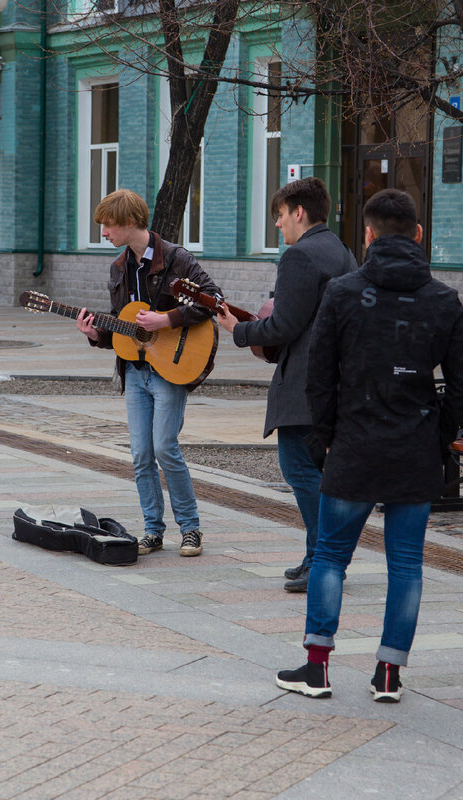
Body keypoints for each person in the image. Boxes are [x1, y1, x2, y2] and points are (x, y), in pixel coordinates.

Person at [275, 189, 463, 701]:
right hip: (414, 449)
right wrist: (439, 436)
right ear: (418, 234)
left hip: (353, 446)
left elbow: (318, 376)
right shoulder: (444, 300)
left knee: (331, 555)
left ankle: (317, 667)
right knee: (405, 563)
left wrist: (323, 438)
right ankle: (389, 674)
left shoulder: (342, 293)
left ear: (366, 235)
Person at [217, 177, 356, 592]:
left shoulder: (300, 256)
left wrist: (239, 329)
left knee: (301, 470)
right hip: (333, 381)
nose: (278, 224)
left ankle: (324, 561)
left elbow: (285, 324)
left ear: (299, 212)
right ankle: (319, 556)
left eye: (280, 215)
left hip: (304, 385)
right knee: (316, 471)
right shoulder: (342, 251)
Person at [74, 189, 219, 557]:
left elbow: (213, 299)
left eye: (107, 225)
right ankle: (153, 530)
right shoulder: (119, 267)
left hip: (171, 368)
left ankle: (191, 529)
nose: (103, 233)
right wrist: (96, 334)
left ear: (128, 222)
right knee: (140, 453)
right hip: (136, 371)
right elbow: (124, 330)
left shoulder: (175, 258)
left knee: (164, 448)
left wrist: (166, 318)